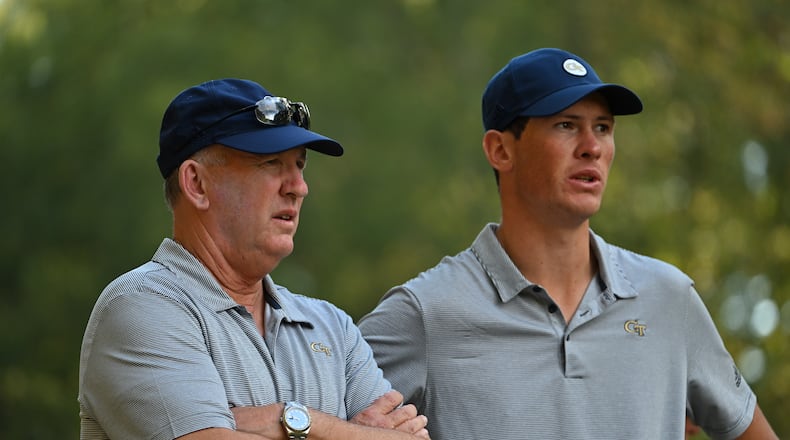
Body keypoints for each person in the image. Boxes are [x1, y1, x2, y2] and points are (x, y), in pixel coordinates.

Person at [358, 48, 778, 439]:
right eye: (566, 125)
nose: (592, 147)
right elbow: (314, 418)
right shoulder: (426, 314)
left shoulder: (669, 299)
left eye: (603, 128)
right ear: (500, 150)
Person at [78, 78, 430, 439]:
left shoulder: (333, 328)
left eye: (300, 165)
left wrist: (290, 419)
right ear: (196, 184)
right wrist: (334, 428)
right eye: (271, 163)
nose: (298, 187)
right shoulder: (141, 306)